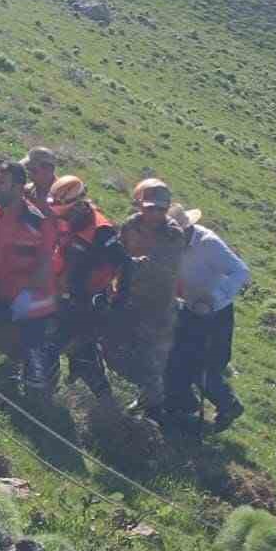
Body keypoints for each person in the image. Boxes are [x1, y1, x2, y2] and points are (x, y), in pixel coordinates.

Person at [0, 162, 61, 397]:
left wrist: (25, 298)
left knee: (32, 349)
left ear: (18, 187)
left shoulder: (38, 222)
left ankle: (37, 401)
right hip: (1, 285)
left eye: (1, 183)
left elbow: (46, 265)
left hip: (33, 295)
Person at [105, 178, 189, 417]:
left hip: (157, 308)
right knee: (110, 344)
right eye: (150, 207)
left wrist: (128, 265)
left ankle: (153, 406)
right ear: (140, 205)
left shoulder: (173, 235)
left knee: (151, 359)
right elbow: (118, 252)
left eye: (161, 209)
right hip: (127, 297)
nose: (155, 214)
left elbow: (157, 265)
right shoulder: (131, 225)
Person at [165, 205, 250, 432]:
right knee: (176, 358)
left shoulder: (208, 243)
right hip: (188, 308)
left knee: (205, 367)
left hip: (215, 314)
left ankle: (228, 405)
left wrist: (212, 298)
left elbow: (241, 271)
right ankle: (180, 407)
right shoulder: (172, 245)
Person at [48, 175, 129, 396]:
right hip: (64, 295)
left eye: (62, 208)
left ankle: (42, 395)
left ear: (76, 205)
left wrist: (114, 298)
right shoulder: (69, 222)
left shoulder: (102, 231)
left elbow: (124, 263)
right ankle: (103, 397)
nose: (59, 213)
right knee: (81, 352)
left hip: (86, 302)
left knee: (52, 344)